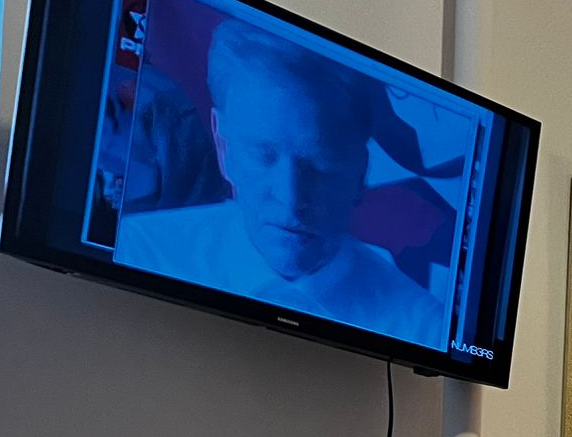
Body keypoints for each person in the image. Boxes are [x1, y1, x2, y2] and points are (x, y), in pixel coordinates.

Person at [113, 20, 447, 350]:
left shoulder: (425, 331)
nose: (290, 199)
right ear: (222, 144)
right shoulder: (137, 250)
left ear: (360, 173)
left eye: (321, 162)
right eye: (263, 155)